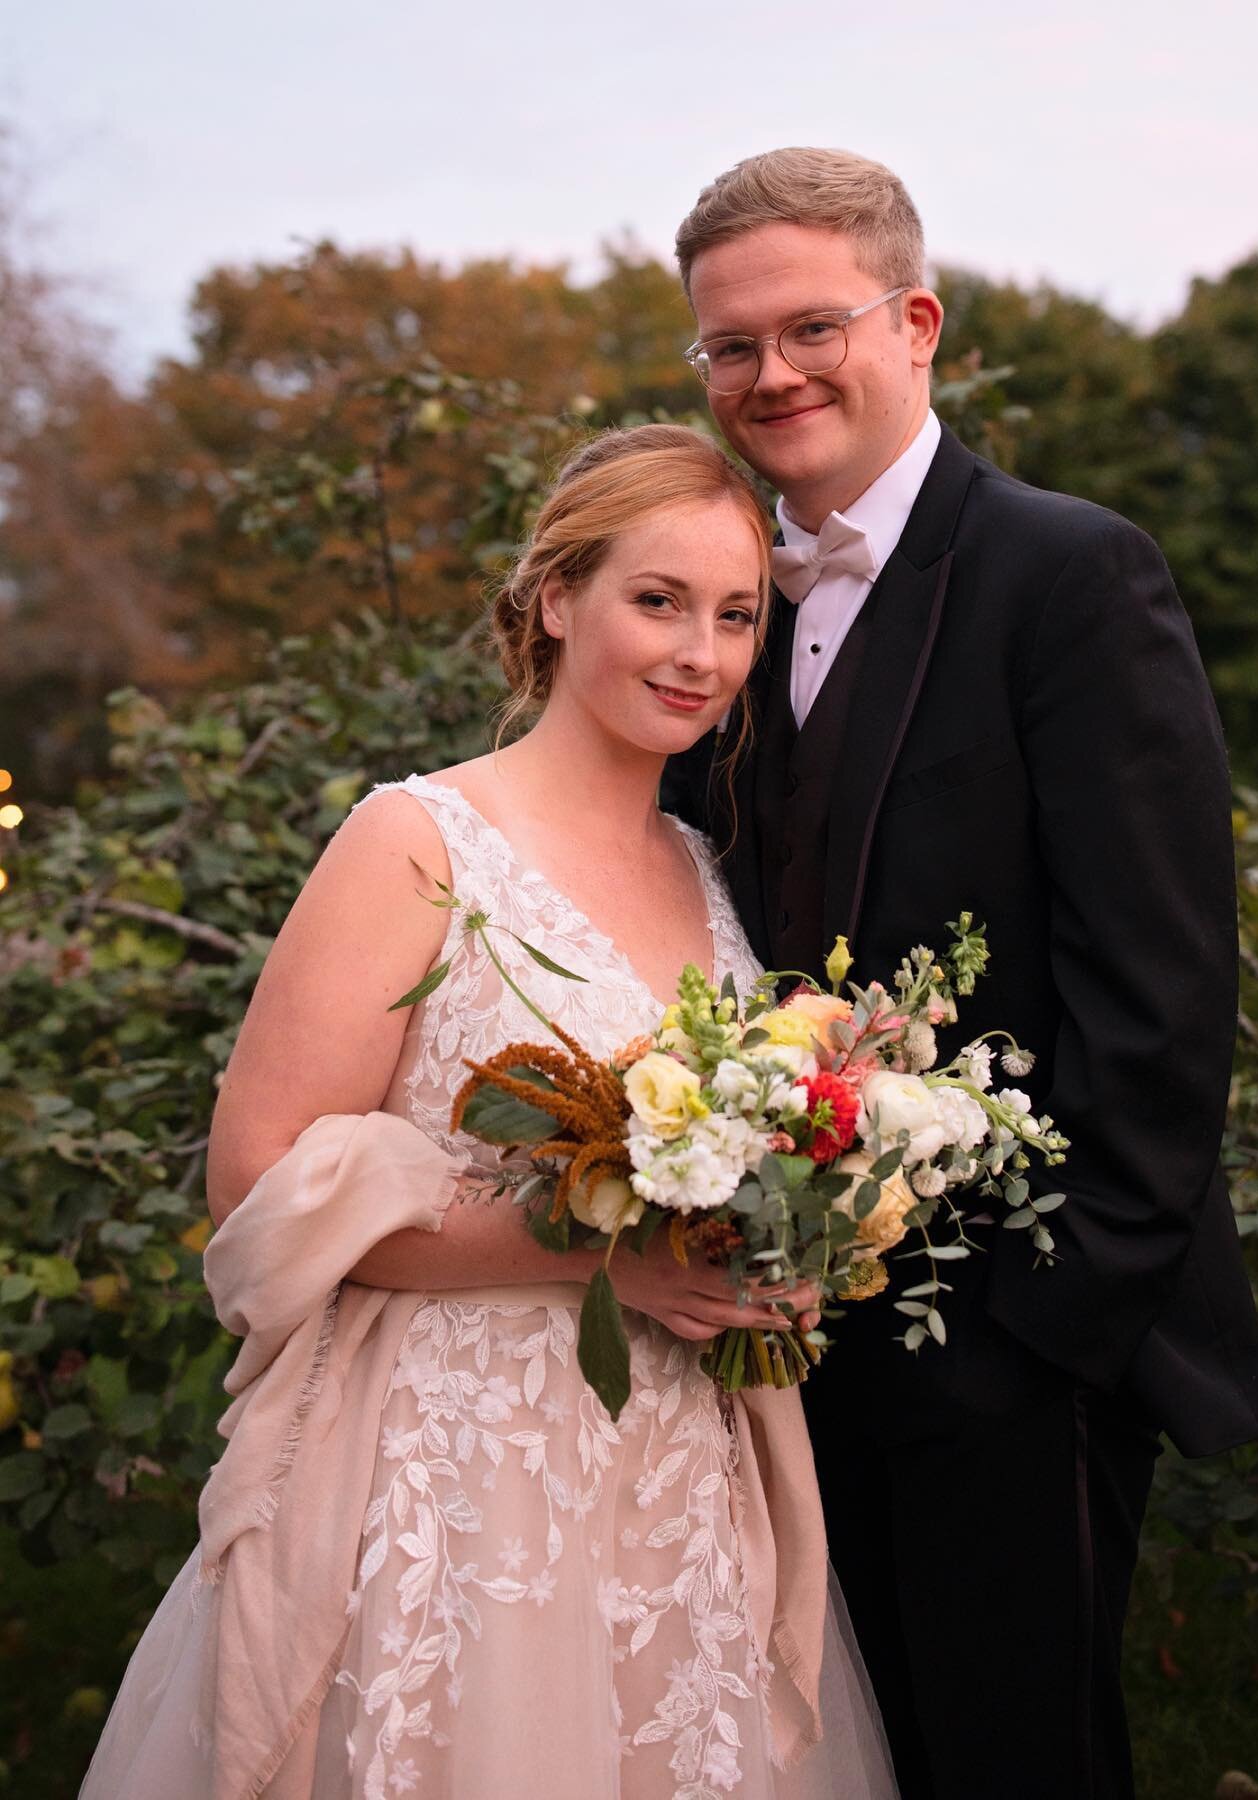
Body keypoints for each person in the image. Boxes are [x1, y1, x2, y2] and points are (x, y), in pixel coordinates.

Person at [81, 424, 897, 1799]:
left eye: (737, 615)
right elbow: (261, 1182)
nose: (700, 651)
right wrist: (598, 1253)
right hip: (455, 1479)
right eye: (658, 601)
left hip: (677, 1478)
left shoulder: (708, 869)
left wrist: (789, 1243)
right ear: (556, 599)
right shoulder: (415, 841)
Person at [662, 148, 1258, 1800]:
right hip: (768, 1336)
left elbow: (1161, 986)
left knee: (1016, 1761)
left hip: (1014, 1340)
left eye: (809, 327)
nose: (769, 374)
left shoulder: (1069, 574)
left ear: (914, 322)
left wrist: (1050, 1325)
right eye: (729, 347)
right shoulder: (704, 610)